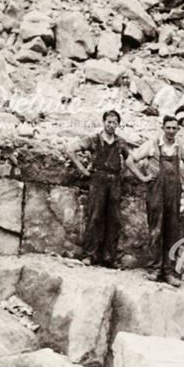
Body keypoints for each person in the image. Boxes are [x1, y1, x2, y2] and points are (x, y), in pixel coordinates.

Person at [69, 110, 150, 268]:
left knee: (113, 220)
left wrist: (142, 177)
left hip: (115, 182)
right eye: (109, 122)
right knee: (95, 217)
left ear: (118, 124)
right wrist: (84, 170)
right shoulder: (94, 139)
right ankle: (89, 255)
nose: (111, 125)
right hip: (98, 181)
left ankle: (109, 257)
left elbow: (130, 161)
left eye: (115, 122)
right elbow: (70, 150)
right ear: (103, 122)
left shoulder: (120, 142)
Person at [130, 115, 184, 284]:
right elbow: (130, 160)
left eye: (174, 128)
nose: (171, 131)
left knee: (172, 231)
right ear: (163, 128)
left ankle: (169, 272)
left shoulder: (180, 148)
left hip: (173, 196)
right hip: (156, 194)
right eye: (168, 127)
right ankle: (154, 269)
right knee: (155, 231)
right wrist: (143, 178)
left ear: (178, 130)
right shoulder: (152, 145)